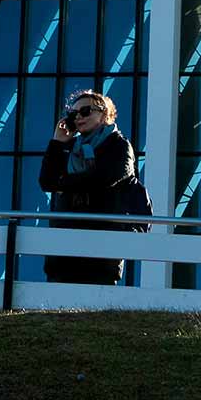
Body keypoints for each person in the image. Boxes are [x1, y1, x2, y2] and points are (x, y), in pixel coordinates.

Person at [38, 89, 136, 285]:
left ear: (104, 114)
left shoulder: (119, 145)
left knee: (98, 297)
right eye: (73, 114)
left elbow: (104, 179)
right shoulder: (69, 146)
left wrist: (64, 183)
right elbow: (47, 181)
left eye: (85, 111)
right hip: (63, 248)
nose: (78, 117)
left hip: (101, 248)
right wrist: (57, 143)